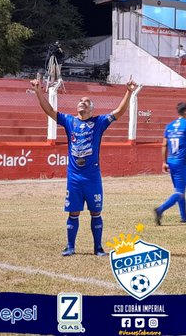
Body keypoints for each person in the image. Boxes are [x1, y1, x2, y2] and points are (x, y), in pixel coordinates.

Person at [30, 75, 137, 256]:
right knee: (74, 212)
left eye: (87, 102)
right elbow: (49, 110)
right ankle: (70, 247)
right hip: (74, 177)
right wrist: (39, 92)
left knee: (96, 212)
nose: (82, 103)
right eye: (80, 101)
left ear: (91, 109)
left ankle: (98, 248)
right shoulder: (69, 121)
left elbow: (118, 112)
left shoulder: (99, 122)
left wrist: (128, 92)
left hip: (92, 177)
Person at [154, 102, 186, 225]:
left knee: (179, 190)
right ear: (185, 112)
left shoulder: (169, 126)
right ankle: (160, 210)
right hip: (181, 163)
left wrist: (164, 162)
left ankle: (184, 216)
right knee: (179, 192)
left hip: (171, 161)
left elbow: (164, 145)